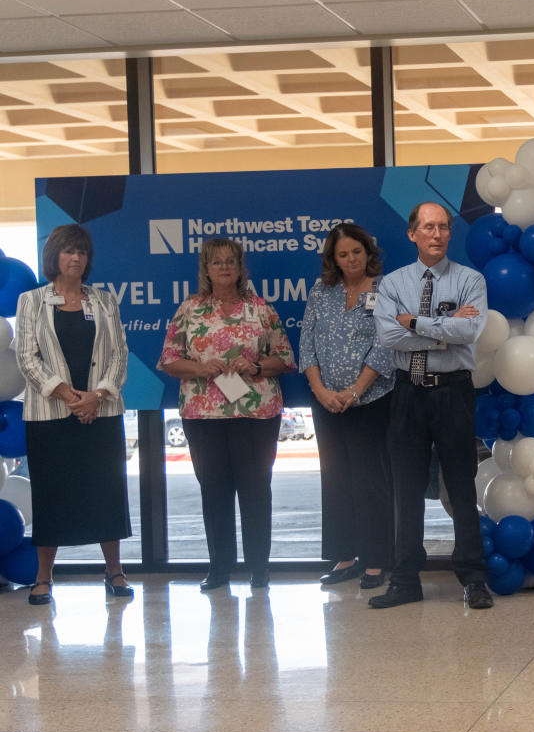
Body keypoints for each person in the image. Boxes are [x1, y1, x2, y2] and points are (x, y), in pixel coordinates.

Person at [372, 202, 494, 610]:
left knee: (461, 487)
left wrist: (414, 323)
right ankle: (405, 579)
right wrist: (445, 332)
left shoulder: (469, 279)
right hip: (408, 394)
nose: (437, 234)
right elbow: (388, 338)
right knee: (405, 489)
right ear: (413, 234)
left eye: (443, 227)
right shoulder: (392, 284)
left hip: (452, 392)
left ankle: (473, 579)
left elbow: (471, 329)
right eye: (428, 227)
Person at [157, 237, 295, 591]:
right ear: (206, 268)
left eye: (230, 261)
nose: (224, 267)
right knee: (214, 490)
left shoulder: (261, 308)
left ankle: (259, 568)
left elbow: (285, 358)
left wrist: (255, 364)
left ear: (240, 267)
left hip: (256, 414)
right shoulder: (190, 309)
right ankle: (219, 567)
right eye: (216, 262)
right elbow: (169, 360)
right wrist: (201, 366)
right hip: (203, 414)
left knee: (255, 489)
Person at [14, 223, 133, 605]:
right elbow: (26, 357)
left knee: (106, 492)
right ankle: (43, 577)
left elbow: (118, 354)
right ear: (55, 257)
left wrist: (96, 396)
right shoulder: (31, 301)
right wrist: (69, 396)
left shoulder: (104, 301)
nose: (76, 258)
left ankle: (114, 571)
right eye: (68, 251)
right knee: (51, 496)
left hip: (101, 412)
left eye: (81, 252)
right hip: (51, 416)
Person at [300, 223, 395, 590]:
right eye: (343, 254)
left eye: (357, 251)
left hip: (371, 400)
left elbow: (387, 343)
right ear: (333, 259)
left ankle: (376, 559)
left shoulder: (385, 289)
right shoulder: (322, 291)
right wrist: (321, 391)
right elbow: (306, 340)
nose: (351, 259)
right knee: (336, 478)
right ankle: (345, 556)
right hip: (325, 402)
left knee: (371, 480)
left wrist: (355, 391)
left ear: (367, 253)